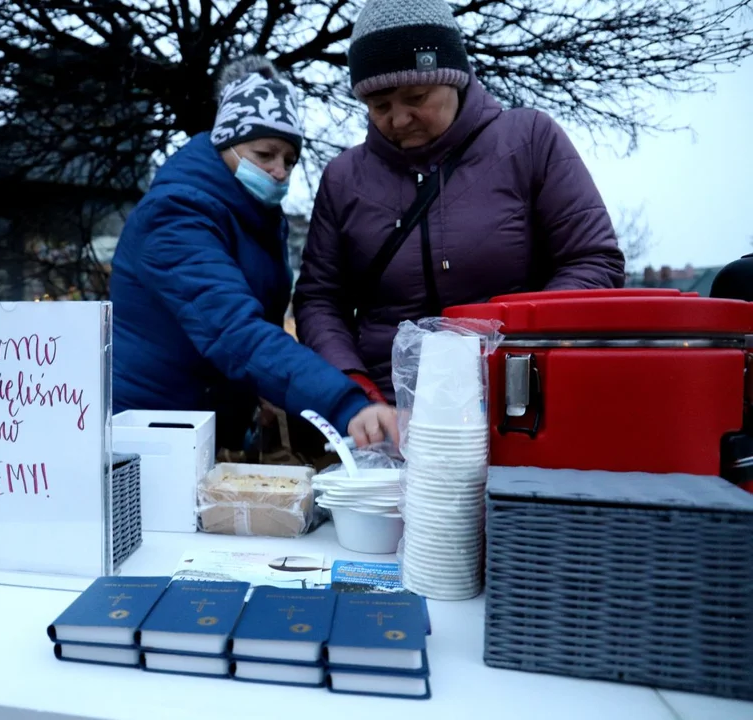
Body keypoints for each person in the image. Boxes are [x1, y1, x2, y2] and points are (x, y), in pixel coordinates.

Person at [293, 0, 627, 405]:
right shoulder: (343, 178)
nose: (398, 120)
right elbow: (319, 299)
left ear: (454, 77)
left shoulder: (530, 139)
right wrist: (354, 388)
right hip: (390, 414)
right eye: (379, 106)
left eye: (416, 96)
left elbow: (593, 261)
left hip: (519, 401)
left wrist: (517, 343)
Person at [110, 56, 398, 452]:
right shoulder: (176, 214)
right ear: (226, 142)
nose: (280, 171)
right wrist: (346, 403)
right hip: (152, 433)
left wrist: (261, 389)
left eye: (289, 159)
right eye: (265, 154)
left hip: (201, 424)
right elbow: (233, 330)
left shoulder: (254, 216)